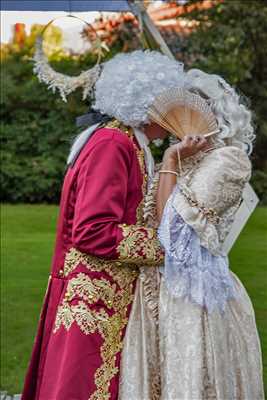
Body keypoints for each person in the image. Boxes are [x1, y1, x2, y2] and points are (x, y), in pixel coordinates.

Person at [21, 51, 208, 400]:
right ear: (150, 104)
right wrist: (166, 247)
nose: (177, 113)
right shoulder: (113, 144)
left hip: (110, 296)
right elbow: (91, 230)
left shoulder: (130, 144)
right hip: (93, 301)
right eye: (170, 104)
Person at [119, 69, 265, 399]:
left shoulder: (230, 159)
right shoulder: (184, 156)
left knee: (188, 380)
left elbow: (171, 226)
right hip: (154, 287)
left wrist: (170, 158)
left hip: (193, 293)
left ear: (213, 114)